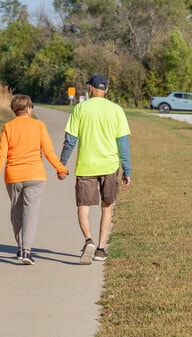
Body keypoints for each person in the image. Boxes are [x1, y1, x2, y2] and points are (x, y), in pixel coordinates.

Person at [0, 94, 69, 265]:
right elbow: (48, 151)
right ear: (28, 109)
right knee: (30, 214)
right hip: (35, 175)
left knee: (16, 214)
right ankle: (26, 250)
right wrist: (61, 169)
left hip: (13, 177)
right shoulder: (38, 125)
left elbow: (1, 155)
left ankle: (20, 248)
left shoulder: (7, 127)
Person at [59, 75, 131, 265]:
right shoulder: (117, 110)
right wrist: (127, 170)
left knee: (83, 205)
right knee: (107, 206)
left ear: (90, 88)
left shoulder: (80, 108)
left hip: (86, 166)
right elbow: (123, 143)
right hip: (109, 166)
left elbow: (70, 140)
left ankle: (88, 240)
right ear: (106, 90)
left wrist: (62, 163)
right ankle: (100, 249)